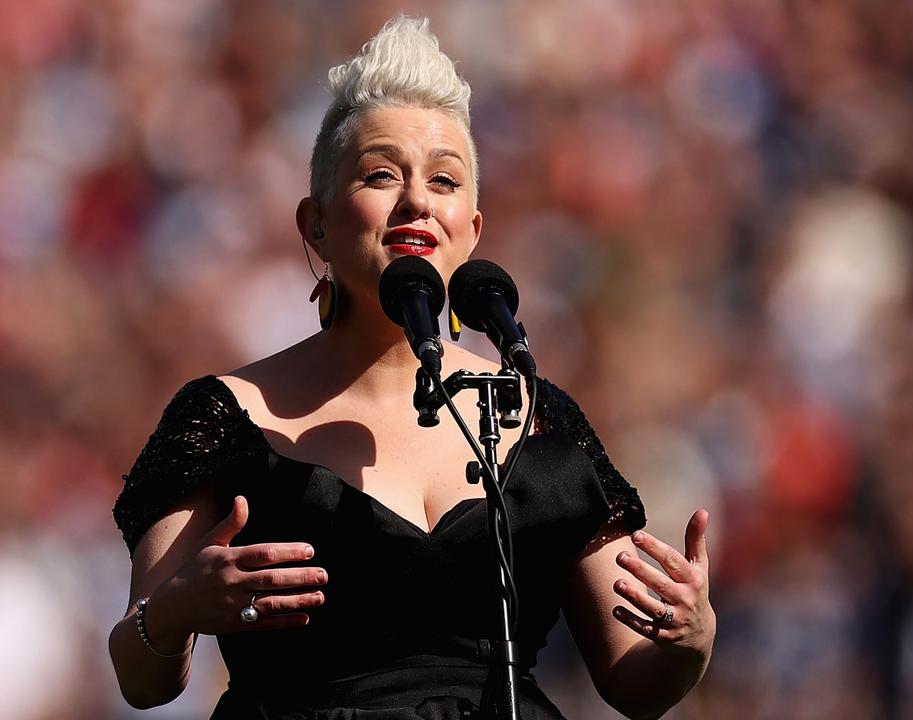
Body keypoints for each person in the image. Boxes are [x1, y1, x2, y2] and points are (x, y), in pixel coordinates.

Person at [108, 15, 715, 720]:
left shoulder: (539, 421)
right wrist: (177, 610)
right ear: (316, 223)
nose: (418, 200)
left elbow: (635, 681)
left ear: (473, 230)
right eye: (380, 174)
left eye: (445, 180)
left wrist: (691, 639)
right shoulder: (227, 417)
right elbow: (141, 679)